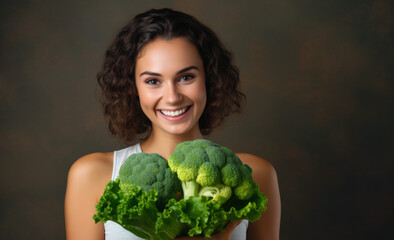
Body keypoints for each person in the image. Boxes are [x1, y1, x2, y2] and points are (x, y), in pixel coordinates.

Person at [65, 8, 280, 240]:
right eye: (153, 81)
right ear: (132, 88)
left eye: (186, 77)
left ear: (209, 77)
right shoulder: (91, 175)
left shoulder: (255, 174)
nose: (172, 97)